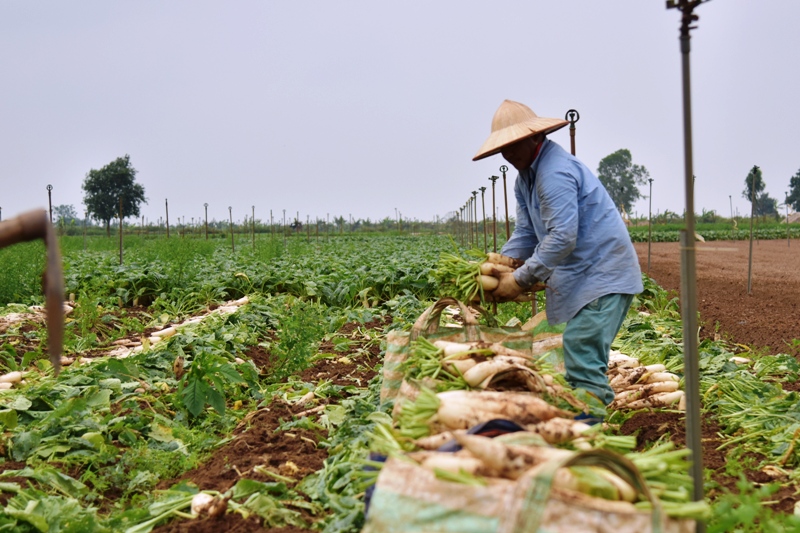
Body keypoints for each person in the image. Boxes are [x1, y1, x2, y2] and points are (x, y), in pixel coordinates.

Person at [472, 99, 643, 406]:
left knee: (580, 345)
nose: (508, 155)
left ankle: (589, 424)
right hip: (586, 276)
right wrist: (501, 269)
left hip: (603, 274)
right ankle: (588, 416)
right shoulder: (526, 178)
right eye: (503, 149)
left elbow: (563, 237)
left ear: (535, 137)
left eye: (514, 146)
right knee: (582, 350)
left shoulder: (554, 173)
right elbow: (525, 232)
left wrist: (519, 280)